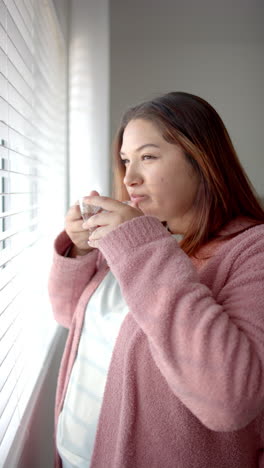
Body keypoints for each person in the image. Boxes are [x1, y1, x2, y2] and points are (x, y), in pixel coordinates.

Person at [48, 91, 264, 468]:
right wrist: (81, 251)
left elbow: (230, 400)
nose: (129, 177)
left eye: (147, 157)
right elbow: (69, 318)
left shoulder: (251, 251)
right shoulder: (138, 238)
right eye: (126, 160)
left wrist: (139, 246)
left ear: (203, 160)